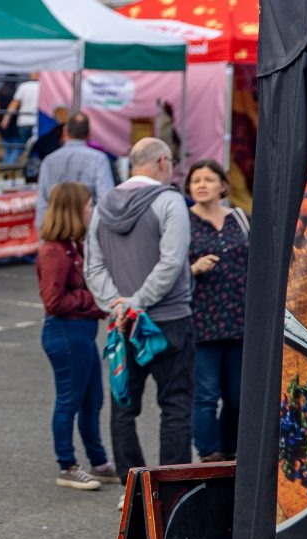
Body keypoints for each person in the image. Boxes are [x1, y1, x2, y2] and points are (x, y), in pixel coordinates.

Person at [86, 137, 194, 475]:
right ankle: (173, 484)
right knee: (175, 404)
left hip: (123, 323)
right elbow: (172, 261)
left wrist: (118, 306)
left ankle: (130, 482)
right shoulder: (169, 201)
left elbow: (94, 265)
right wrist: (138, 302)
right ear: (162, 160)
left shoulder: (103, 205)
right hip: (169, 318)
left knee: (123, 403)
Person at [37, 182, 114, 491]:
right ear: (73, 209)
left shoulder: (73, 245)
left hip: (80, 332)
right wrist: (93, 300)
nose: (91, 210)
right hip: (66, 333)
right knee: (69, 400)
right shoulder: (55, 251)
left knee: (92, 399)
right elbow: (53, 302)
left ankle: (99, 462)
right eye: (87, 205)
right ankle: (67, 465)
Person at [186, 158, 249, 462]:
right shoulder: (183, 222)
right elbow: (170, 269)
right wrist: (193, 269)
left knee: (237, 398)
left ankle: (229, 450)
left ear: (223, 185)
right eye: (196, 180)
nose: (201, 185)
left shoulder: (240, 218)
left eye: (208, 179)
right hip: (202, 323)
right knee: (206, 396)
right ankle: (209, 454)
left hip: (240, 322)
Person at [34, 113, 115, 227]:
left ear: (65, 132)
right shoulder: (98, 159)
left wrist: (42, 233)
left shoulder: (48, 161)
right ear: (89, 134)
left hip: (56, 229)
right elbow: (105, 199)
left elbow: (42, 202)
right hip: (86, 229)